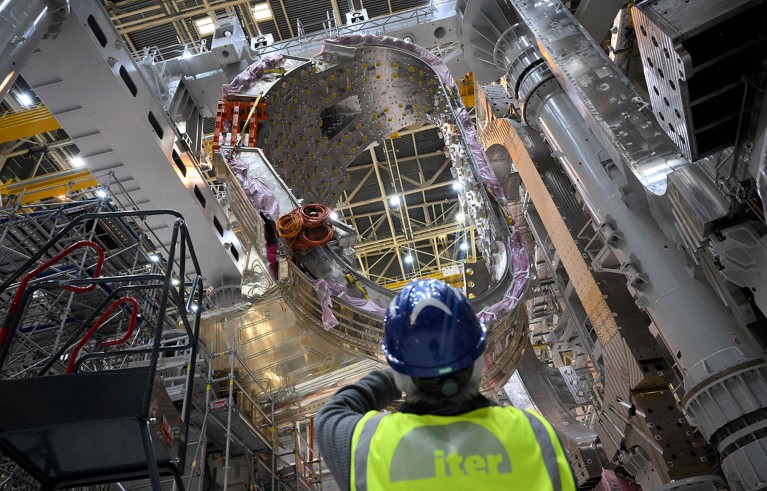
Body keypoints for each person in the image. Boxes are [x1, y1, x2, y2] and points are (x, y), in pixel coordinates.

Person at [316, 279, 577, 490]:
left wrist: (399, 371)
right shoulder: (534, 434)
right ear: (479, 359)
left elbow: (331, 414)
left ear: (399, 371)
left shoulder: (368, 445)